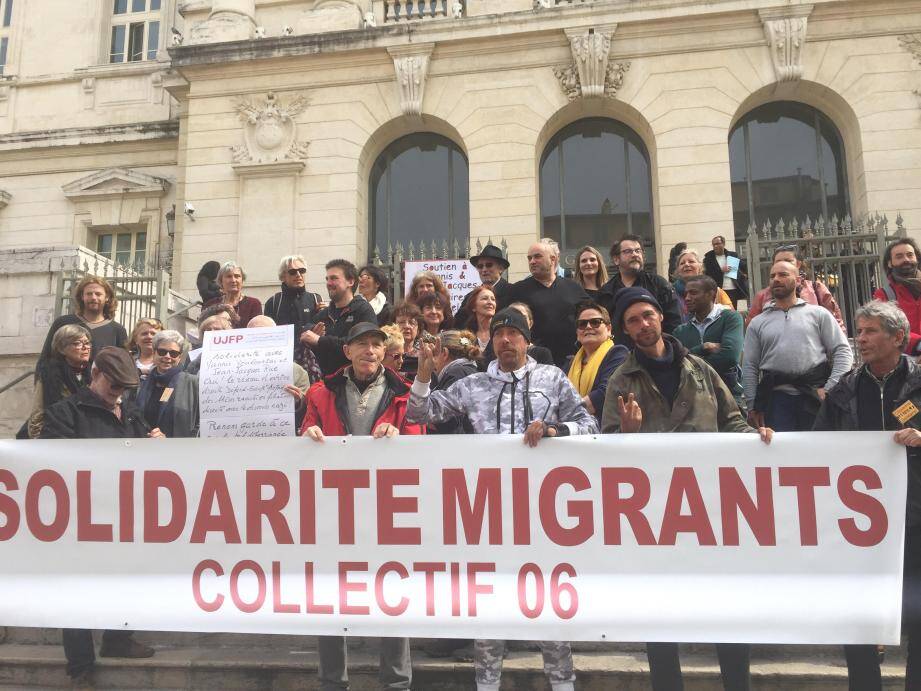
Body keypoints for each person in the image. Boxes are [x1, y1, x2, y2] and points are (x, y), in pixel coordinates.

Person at [408, 307, 596, 691]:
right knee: (489, 604)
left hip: (543, 511)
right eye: (499, 334)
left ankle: (562, 683)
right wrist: (424, 373)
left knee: (545, 601)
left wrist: (554, 429)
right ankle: (487, 684)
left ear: (527, 340)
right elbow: (419, 412)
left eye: (513, 333)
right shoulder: (474, 384)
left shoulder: (552, 377)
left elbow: (589, 423)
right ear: (490, 342)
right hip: (488, 511)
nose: (506, 340)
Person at [600, 288, 772, 691]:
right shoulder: (620, 381)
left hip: (710, 509)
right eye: (633, 321)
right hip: (655, 516)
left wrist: (756, 437)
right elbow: (606, 450)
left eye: (648, 316)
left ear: (661, 317)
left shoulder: (700, 369)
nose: (643, 325)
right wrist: (626, 433)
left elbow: (731, 420)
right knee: (661, 622)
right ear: (625, 330)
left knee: (726, 614)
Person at [300, 322, 423, 691]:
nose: (370, 351)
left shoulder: (404, 393)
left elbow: (421, 437)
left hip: (391, 506)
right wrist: (307, 434)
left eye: (376, 345)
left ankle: (396, 683)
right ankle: (333, 682)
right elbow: (307, 430)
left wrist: (401, 436)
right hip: (334, 508)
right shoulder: (321, 392)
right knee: (331, 594)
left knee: (393, 592)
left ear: (385, 352)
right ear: (347, 352)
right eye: (362, 345)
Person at [813, 300, 921, 689]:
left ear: (897, 337)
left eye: (871, 330)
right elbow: (816, 450)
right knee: (857, 621)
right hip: (859, 530)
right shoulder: (844, 391)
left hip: (913, 522)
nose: (861, 339)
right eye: (858, 331)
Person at [40, 347, 162, 685]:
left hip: (126, 516)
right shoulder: (64, 413)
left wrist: (158, 443)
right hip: (82, 519)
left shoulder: (132, 414)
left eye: (124, 389)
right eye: (113, 387)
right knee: (77, 591)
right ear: (95, 374)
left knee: (132, 577)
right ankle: (80, 666)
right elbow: (53, 465)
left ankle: (118, 638)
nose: (118, 395)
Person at [742, 260, 853, 432]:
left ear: (799, 280)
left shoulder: (819, 314)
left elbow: (843, 351)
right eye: (772, 276)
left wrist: (831, 389)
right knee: (780, 456)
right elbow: (749, 366)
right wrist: (752, 406)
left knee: (817, 455)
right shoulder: (758, 323)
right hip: (775, 402)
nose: (776, 279)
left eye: (783, 274)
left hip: (815, 398)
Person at [509, 238, 589, 368]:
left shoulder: (573, 288)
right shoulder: (517, 291)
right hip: (533, 363)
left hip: (572, 362)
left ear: (553, 259)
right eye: (529, 258)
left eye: (537, 257)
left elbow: (590, 317)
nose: (532, 261)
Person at [674, 275, 745, 409]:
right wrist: (703, 348)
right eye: (686, 294)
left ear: (711, 294)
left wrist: (690, 356)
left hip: (728, 398)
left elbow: (729, 357)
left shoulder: (730, 318)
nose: (687, 298)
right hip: (693, 403)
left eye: (693, 293)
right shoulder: (680, 331)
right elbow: (677, 364)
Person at [300, 259, 377, 376]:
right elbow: (306, 330)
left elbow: (360, 344)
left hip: (353, 382)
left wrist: (320, 340)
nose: (329, 283)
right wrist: (311, 331)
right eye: (327, 279)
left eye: (334, 278)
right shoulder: (324, 314)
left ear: (350, 281)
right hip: (326, 383)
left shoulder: (363, 310)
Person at [597, 235, 682, 342]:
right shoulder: (606, 292)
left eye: (638, 251)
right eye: (628, 251)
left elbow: (674, 323)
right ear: (616, 259)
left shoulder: (659, 285)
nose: (635, 254)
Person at [745, 244, 845, 331]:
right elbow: (752, 329)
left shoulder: (817, 289)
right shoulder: (762, 296)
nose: (783, 264)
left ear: (798, 264)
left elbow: (836, 323)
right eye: (778, 261)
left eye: (788, 261)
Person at [39, 275, 128, 367]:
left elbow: (123, 367)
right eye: (89, 294)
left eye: (98, 294)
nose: (93, 297)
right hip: (64, 380)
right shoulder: (63, 323)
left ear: (107, 297)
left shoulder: (118, 330)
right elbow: (46, 358)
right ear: (82, 296)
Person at [566, 301, 628, 423]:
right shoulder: (570, 363)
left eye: (595, 322)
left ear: (609, 329)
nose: (588, 327)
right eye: (582, 324)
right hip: (574, 432)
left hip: (605, 430)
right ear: (577, 334)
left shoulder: (618, 354)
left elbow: (604, 393)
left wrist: (566, 413)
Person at [27, 324, 92, 438]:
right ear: (62, 349)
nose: (85, 347)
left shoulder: (94, 373)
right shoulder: (50, 374)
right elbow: (38, 415)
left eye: (87, 343)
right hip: (57, 436)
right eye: (77, 343)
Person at [132, 330, 199, 438]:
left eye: (173, 353)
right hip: (144, 448)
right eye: (162, 352)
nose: (167, 356)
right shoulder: (142, 384)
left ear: (179, 357)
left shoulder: (193, 383)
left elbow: (200, 423)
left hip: (178, 451)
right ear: (154, 353)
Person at [263, 255, 322, 361]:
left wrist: (328, 312)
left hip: (312, 360)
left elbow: (322, 333)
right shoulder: (273, 302)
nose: (298, 275)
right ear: (282, 276)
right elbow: (267, 337)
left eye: (302, 270)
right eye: (292, 272)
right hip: (282, 360)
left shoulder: (315, 298)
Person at [873, 237, 921, 355]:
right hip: (906, 360)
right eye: (899, 257)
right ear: (890, 263)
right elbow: (888, 329)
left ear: (917, 258)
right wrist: (918, 345)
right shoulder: (884, 295)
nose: (906, 260)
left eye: (910, 255)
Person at [429, 329, 481, 434]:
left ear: (444, 353)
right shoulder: (469, 371)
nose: (432, 359)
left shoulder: (456, 374)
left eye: (434, 353)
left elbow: (443, 418)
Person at [481, 301, 554, 367]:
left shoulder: (542, 354)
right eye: (498, 333)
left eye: (522, 317)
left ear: (530, 323)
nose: (505, 339)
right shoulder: (494, 350)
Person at [455, 244, 512, 326]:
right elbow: (458, 325)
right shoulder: (470, 297)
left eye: (489, 265)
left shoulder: (512, 292)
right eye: (480, 266)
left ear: (501, 268)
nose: (484, 270)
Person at [673, 249, 733, 321]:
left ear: (700, 266)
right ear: (678, 270)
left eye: (691, 261)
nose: (686, 264)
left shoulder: (716, 292)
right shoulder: (670, 293)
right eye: (682, 263)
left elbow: (732, 317)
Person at [203, 261, 262, 326]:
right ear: (221, 281)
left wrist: (235, 318)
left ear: (242, 281)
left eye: (237, 276)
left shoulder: (254, 304)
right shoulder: (210, 305)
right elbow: (204, 330)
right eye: (229, 276)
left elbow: (257, 330)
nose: (233, 280)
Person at [703, 235, 748, 308]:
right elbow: (708, 274)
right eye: (714, 244)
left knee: (732, 310)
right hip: (718, 290)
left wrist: (745, 275)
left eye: (718, 244)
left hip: (732, 288)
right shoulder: (708, 258)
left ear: (723, 243)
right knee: (719, 311)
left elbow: (743, 265)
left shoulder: (732, 255)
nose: (715, 246)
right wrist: (721, 271)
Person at [393, 302, 423, 378]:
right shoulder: (386, 355)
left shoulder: (423, 357)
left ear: (418, 329)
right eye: (401, 322)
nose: (406, 326)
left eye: (411, 323)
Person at [464, 284, 497, 351]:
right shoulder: (466, 335)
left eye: (493, 299)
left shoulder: (499, 331)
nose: (490, 302)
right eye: (485, 298)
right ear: (473, 307)